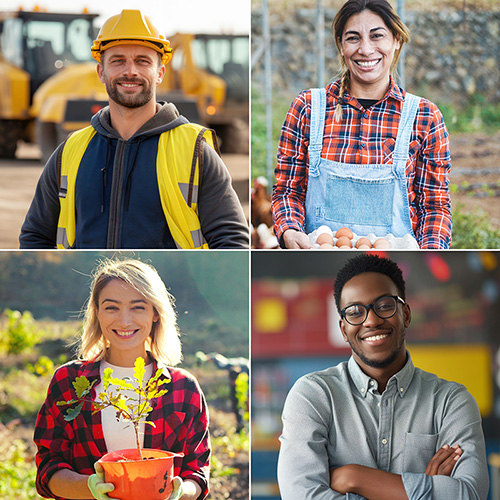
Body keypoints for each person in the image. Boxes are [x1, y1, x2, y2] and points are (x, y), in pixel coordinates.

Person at [19, 9, 248, 249]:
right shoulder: (70, 151)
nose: (131, 71)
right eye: (118, 61)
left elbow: (232, 241)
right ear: (101, 72)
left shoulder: (195, 150)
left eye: (142, 61)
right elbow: (35, 237)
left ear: (159, 73)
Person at [277, 254, 488, 499]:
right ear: (344, 329)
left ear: (406, 315)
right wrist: (422, 489)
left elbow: (470, 494)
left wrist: (354, 477)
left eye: (385, 305)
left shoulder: (451, 402)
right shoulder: (313, 395)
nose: (372, 320)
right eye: (355, 312)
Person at [272, 0, 452, 250]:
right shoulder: (307, 108)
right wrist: (289, 230)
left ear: (396, 40)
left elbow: (435, 207)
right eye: (353, 38)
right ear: (341, 45)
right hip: (317, 259)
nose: (366, 49)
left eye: (377, 36)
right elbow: (287, 192)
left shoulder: (424, 116)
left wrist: (427, 253)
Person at [34, 259, 210, 500]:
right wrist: (91, 487)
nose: (124, 321)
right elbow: (48, 468)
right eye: (111, 307)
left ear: (156, 313)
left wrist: (180, 491)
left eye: (138, 307)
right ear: (97, 312)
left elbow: (197, 471)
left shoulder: (183, 388)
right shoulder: (69, 381)